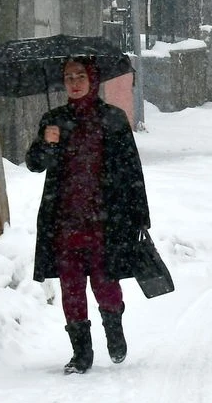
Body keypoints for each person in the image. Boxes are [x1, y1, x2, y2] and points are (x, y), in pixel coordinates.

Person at [26, 56, 150, 374]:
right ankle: (81, 352)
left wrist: (140, 216)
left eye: (81, 75)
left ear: (93, 79)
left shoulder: (113, 119)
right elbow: (35, 163)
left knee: (105, 283)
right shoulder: (54, 120)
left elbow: (131, 169)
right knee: (71, 286)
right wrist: (46, 143)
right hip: (64, 221)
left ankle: (114, 328)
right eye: (69, 77)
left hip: (106, 221)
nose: (75, 82)